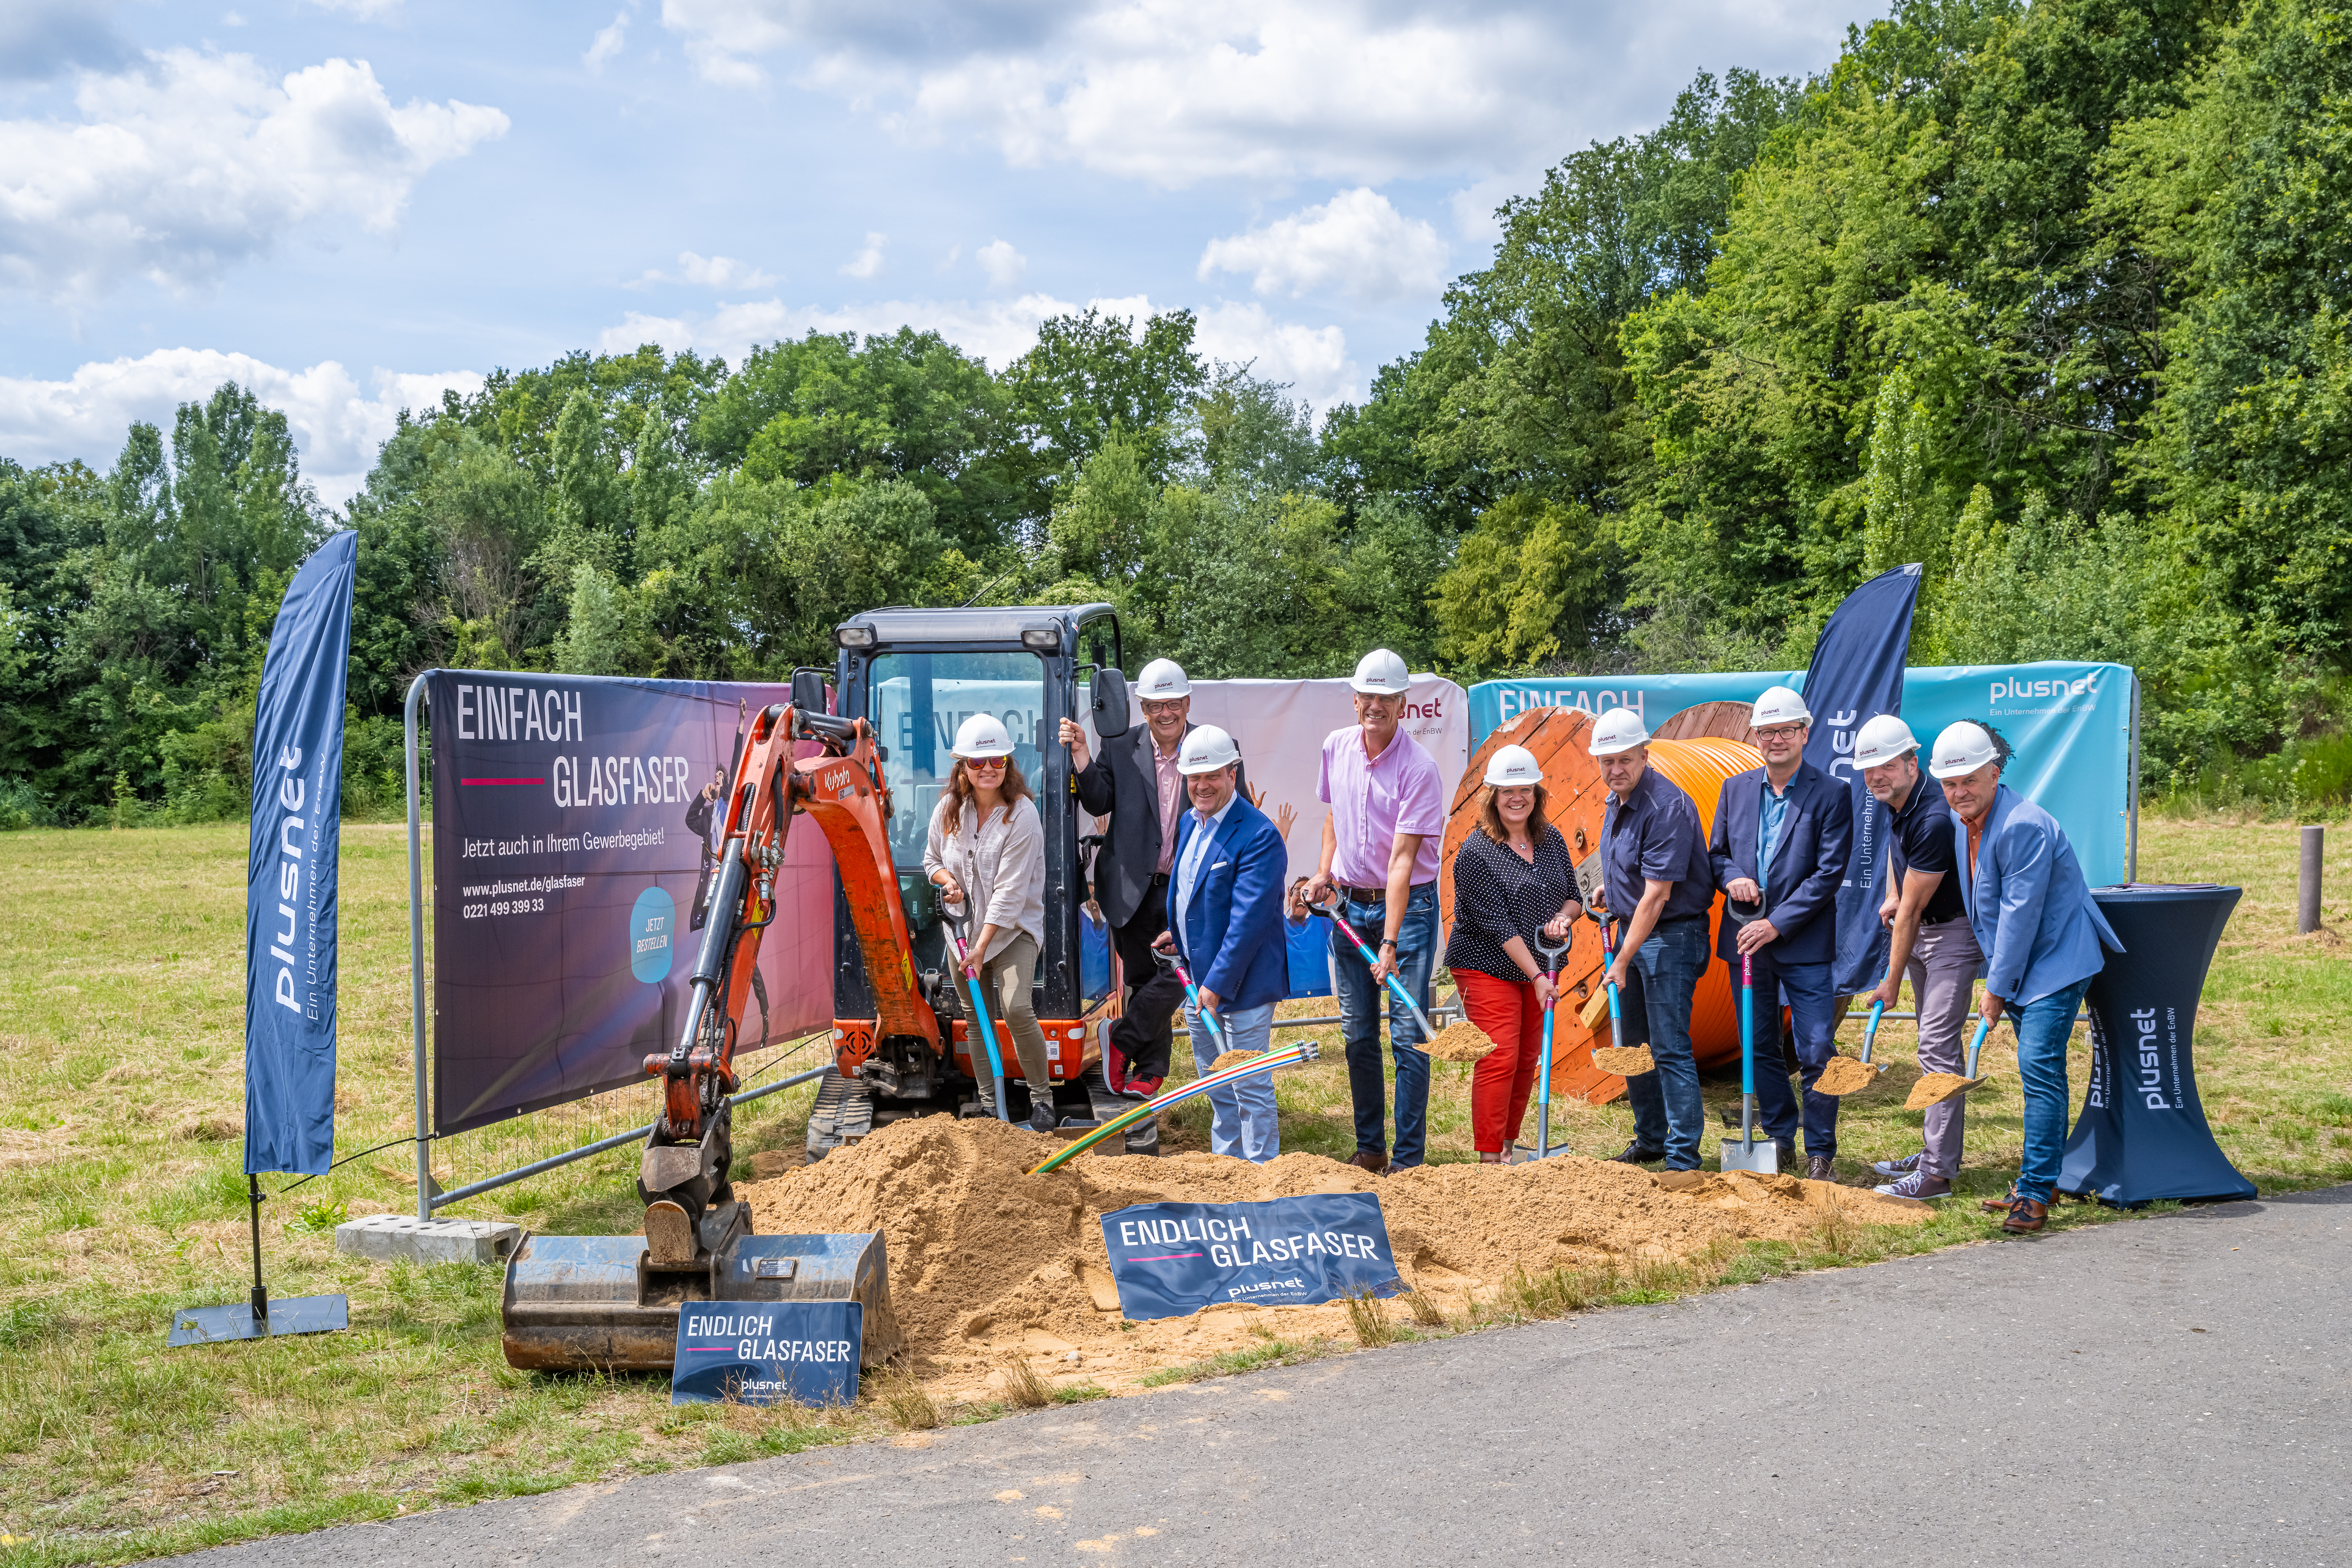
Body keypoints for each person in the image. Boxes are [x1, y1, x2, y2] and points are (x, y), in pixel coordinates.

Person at [1929, 720, 2123, 1233]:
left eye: (1969, 779)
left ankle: (2035, 1193)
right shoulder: (1961, 822)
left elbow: (2020, 916)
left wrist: (1994, 990)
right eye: (1949, 784)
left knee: (2039, 1069)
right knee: (2039, 1072)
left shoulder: (2022, 825)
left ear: (1994, 773)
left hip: (2056, 960)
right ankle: (2047, 1178)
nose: (1959, 792)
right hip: (2020, 964)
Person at [1061, 658, 1247, 1100]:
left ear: (1187, 702)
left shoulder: (1213, 747)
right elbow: (1100, 797)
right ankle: (1151, 1069)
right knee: (1147, 979)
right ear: (1142, 708)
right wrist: (1082, 755)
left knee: (1185, 971)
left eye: (1174, 703)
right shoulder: (1122, 747)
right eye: (1155, 705)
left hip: (1189, 890)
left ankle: (1121, 1036)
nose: (1166, 713)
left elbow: (1237, 813)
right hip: (1132, 888)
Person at [1304, 648, 1446, 1175]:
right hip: (1348, 902)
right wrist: (1323, 873)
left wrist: (1389, 941)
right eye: (1368, 696)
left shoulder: (1420, 768)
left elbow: (1403, 863)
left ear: (1402, 703)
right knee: (1357, 1032)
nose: (1376, 706)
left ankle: (1408, 1162)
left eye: (1387, 698)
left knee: (1408, 1036)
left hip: (1406, 911)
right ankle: (1370, 1150)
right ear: (1356, 697)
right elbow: (1332, 818)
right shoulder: (1336, 746)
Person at [1707, 685, 1855, 1181]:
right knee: (1757, 1044)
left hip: (1802, 941)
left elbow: (1828, 874)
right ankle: (1779, 1138)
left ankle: (1822, 1152)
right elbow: (1717, 855)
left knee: (1815, 1047)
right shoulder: (1735, 789)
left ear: (1804, 733)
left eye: (1785, 730)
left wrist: (1777, 922)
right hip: (1745, 938)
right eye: (1767, 731)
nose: (1775, 739)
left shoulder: (1832, 793)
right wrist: (1732, 878)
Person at [1853, 714, 1983, 1200]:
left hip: (1950, 935)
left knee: (1937, 1049)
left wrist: (1889, 980)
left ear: (1912, 762)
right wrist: (1891, 893)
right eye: (1869, 770)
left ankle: (1936, 1174)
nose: (1876, 777)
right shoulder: (1899, 802)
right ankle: (1936, 1149)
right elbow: (1898, 871)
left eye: (1886, 765)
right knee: (1934, 1047)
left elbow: (1909, 911)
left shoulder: (1931, 815)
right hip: (1925, 931)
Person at [1588, 707, 1714, 1172]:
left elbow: (1658, 895)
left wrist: (1621, 959)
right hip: (1635, 930)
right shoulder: (1616, 801)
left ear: (1645, 754)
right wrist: (1613, 887)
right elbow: (1635, 869)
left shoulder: (1668, 806)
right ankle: (1651, 1140)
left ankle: (1683, 1155)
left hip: (1671, 938)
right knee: (1634, 1045)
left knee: (1669, 1046)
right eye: (1606, 761)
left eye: (1624, 759)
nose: (1615, 769)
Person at [1155, 726, 1290, 1161]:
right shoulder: (1190, 823)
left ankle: (1261, 1176)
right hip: (1200, 981)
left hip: (1241, 984)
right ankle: (1226, 1169)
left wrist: (1213, 985)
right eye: (1194, 777)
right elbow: (1191, 892)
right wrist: (1179, 937)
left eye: (1212, 774)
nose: (1202, 785)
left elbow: (1247, 923)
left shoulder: (1258, 835)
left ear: (1233, 773)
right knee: (1215, 1080)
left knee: (1249, 1084)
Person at [1444, 745, 1583, 1162]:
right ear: (1492, 795)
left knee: (1526, 1057)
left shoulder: (1551, 839)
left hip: (1537, 964)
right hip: (1486, 963)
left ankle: (1508, 1148)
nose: (1517, 797)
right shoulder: (1475, 853)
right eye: (1507, 791)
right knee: (1500, 1054)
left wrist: (1563, 918)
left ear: (1537, 793)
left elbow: (1573, 897)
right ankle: (1489, 1158)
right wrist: (1540, 977)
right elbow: (1499, 926)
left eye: (1525, 789)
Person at [924, 713, 1058, 1134]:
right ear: (962, 764)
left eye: (996, 761)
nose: (988, 769)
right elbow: (931, 861)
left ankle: (1042, 1099)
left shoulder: (1022, 815)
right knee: (976, 1015)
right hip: (960, 931)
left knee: (1015, 1007)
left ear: (1008, 763)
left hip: (1012, 929)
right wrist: (948, 882)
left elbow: (1010, 893)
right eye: (977, 762)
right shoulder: (949, 809)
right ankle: (988, 1105)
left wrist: (980, 948)